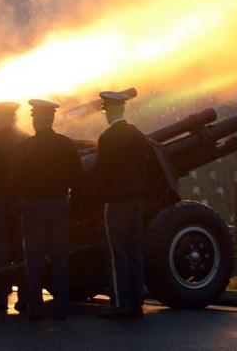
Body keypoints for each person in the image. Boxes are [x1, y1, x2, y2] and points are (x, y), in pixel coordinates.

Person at [9, 99, 82, 321]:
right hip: (59, 205)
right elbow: (77, 176)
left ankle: (36, 308)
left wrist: (18, 204)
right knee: (60, 259)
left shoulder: (26, 148)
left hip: (33, 209)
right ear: (51, 120)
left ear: (35, 120)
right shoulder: (66, 145)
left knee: (34, 260)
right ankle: (61, 307)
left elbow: (15, 181)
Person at [94, 91, 153, 320]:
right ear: (123, 110)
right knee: (135, 252)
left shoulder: (107, 138)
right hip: (136, 202)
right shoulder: (137, 135)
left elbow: (101, 174)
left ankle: (120, 303)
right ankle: (137, 302)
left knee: (117, 254)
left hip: (116, 203)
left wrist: (99, 195)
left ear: (108, 111)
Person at [0, 101, 29, 312]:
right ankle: (25, 298)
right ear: (14, 118)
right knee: (22, 251)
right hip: (20, 203)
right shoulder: (27, 140)